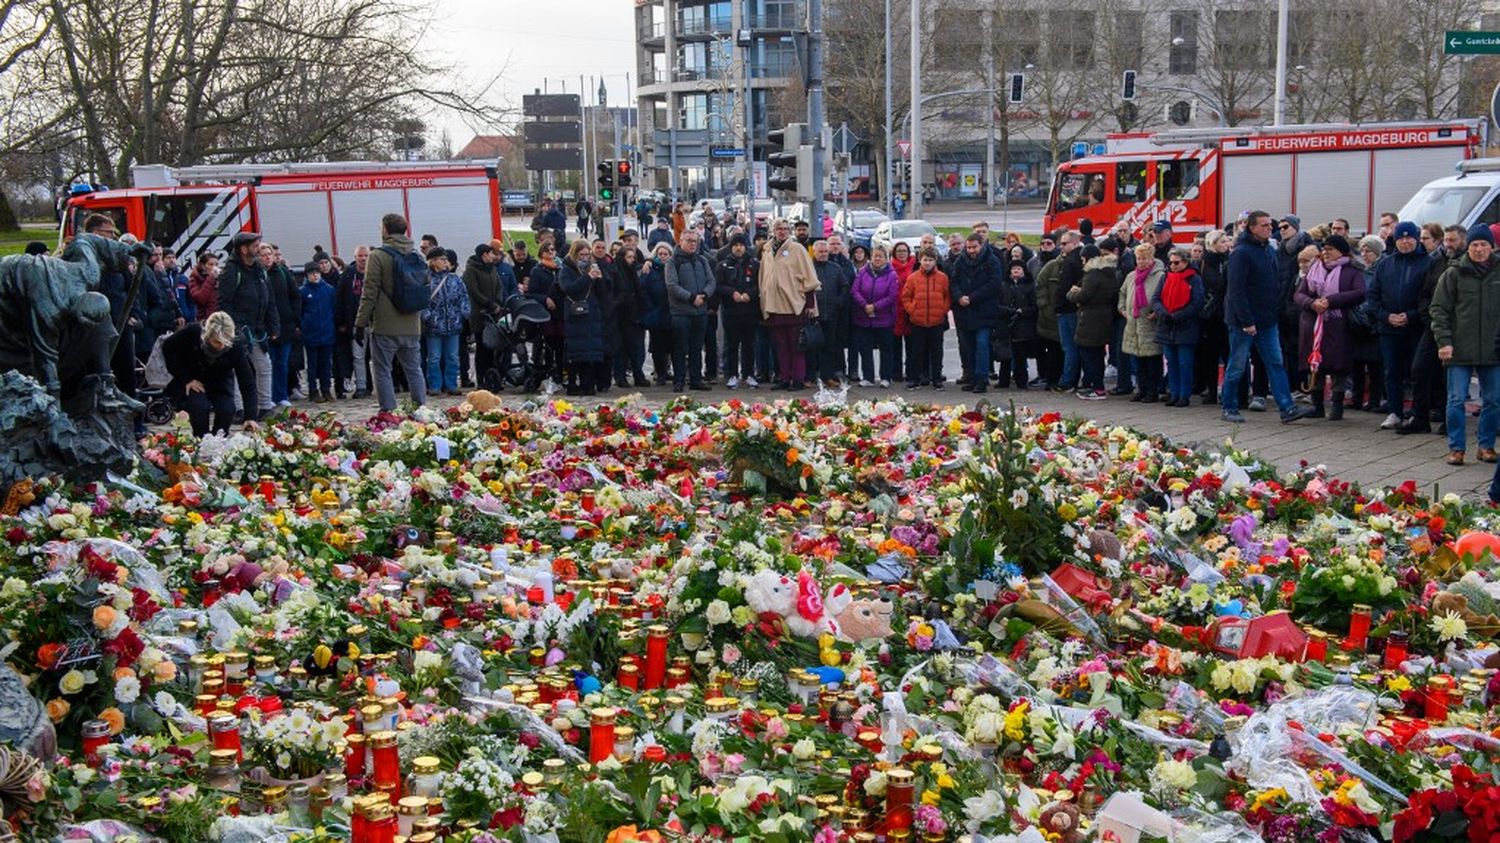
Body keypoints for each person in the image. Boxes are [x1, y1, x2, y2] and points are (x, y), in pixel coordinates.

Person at [1221, 210, 1315, 424]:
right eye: (1264, 225)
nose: (1269, 228)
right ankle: (1229, 406)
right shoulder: (1241, 253)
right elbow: (1236, 290)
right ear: (1251, 227)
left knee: (1276, 362)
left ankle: (1287, 407)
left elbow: (1275, 283)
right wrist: (1246, 321)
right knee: (1237, 365)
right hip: (1244, 321)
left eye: (1269, 225)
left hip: (1267, 319)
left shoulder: (1269, 251)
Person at [1430, 223, 1500, 465]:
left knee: (1493, 399)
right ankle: (1457, 448)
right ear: (1467, 247)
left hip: (1493, 349)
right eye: (1474, 245)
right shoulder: (1454, 273)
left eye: (1484, 245)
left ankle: (1486, 446)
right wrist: (1444, 341)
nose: (1479, 249)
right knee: (1456, 399)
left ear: (1492, 247)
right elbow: (1439, 309)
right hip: (1458, 348)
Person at [355, 213, 427, 412]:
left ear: (386, 230)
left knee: (382, 370)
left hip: (385, 324)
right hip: (412, 323)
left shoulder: (378, 256)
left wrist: (360, 323)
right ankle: (420, 410)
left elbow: (369, 292)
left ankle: (388, 412)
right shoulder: (416, 255)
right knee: (414, 370)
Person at [1399, 224, 1464, 435]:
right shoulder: (1437, 262)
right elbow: (1425, 293)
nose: (1448, 244)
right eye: (1446, 240)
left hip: (1459, 329)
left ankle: (1449, 420)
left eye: (1452, 240)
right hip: (1433, 325)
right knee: (1419, 369)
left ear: (1463, 241)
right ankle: (1420, 418)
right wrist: (1429, 317)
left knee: (1449, 376)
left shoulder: (1467, 264)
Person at [1294, 234, 1366, 420]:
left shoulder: (1352, 271)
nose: (1325, 253)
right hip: (1313, 324)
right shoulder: (1314, 269)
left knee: (1338, 367)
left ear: (1341, 251)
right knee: (1315, 364)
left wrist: (1331, 301)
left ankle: (1336, 406)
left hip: (1338, 324)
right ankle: (1317, 406)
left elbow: (1359, 292)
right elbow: (1299, 294)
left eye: (1330, 249)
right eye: (1324, 249)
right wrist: (1311, 303)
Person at [1366, 222, 1430, 430]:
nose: (1405, 242)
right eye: (1400, 238)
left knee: (1417, 372)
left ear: (1417, 238)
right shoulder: (1386, 264)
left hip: (1415, 328)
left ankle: (1418, 413)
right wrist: (1386, 316)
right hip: (1389, 328)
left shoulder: (1428, 263)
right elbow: (1373, 296)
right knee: (1391, 371)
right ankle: (1394, 411)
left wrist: (1410, 316)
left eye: (1409, 237)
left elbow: (1429, 297)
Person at [217, 231, 279, 421]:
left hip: (258, 327)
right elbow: (224, 302)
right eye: (254, 245)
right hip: (238, 328)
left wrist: (274, 325)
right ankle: (239, 408)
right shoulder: (231, 271)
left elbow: (269, 299)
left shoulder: (259, 270)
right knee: (237, 369)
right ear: (243, 249)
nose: (258, 248)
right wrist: (233, 327)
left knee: (264, 365)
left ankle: (265, 406)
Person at [759, 219, 820, 391]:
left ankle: (798, 379)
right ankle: (784, 377)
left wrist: (809, 304)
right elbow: (764, 276)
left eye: (786, 229)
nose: (782, 232)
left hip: (794, 305)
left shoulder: (797, 249)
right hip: (774, 305)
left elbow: (809, 277)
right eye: (779, 229)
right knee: (781, 346)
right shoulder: (767, 249)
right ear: (773, 230)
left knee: (797, 346)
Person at [163, 311, 244, 436]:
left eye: (225, 342)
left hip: (220, 381)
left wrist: (251, 416)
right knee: (199, 407)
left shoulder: (236, 345)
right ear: (208, 336)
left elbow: (247, 379)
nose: (221, 346)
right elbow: (168, 347)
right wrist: (186, 378)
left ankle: (218, 441)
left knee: (227, 409)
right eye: (217, 341)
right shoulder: (192, 332)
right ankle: (200, 439)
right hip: (195, 378)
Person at [1152, 247, 1206, 407]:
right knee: (1171, 362)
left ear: (1185, 262)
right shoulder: (1165, 277)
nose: (1173, 265)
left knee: (1185, 363)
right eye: (1171, 262)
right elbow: (1156, 299)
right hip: (1167, 325)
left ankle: (1184, 395)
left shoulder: (1194, 279)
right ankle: (1174, 393)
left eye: (1177, 262)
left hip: (1186, 326)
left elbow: (1197, 302)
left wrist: (1177, 315)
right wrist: (1163, 313)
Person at [665, 229, 716, 393]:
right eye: (689, 240)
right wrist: (691, 297)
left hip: (700, 312)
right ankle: (679, 380)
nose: (693, 244)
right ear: (681, 241)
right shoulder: (673, 262)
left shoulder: (702, 260)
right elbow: (672, 286)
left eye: (695, 241)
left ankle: (696, 379)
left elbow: (711, 281)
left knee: (696, 348)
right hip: (681, 313)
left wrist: (705, 294)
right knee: (679, 348)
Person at [950, 233, 1002, 395]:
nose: (971, 250)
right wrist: (959, 297)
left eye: (974, 247)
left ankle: (981, 379)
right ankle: (972, 378)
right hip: (965, 312)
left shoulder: (992, 261)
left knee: (982, 346)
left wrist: (972, 298)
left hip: (984, 311)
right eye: (969, 247)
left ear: (981, 245)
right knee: (968, 348)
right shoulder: (960, 261)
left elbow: (994, 284)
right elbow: (954, 282)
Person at [557, 240, 608, 396]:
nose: (585, 258)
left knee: (591, 352)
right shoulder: (566, 269)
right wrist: (587, 278)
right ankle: (575, 384)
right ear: (574, 254)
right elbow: (568, 289)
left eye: (587, 254)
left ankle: (589, 384)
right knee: (577, 353)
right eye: (582, 255)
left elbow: (602, 292)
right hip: (576, 315)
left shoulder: (593, 267)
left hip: (591, 315)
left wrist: (599, 279)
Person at [1068, 245, 1117, 400]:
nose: (1082, 263)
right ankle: (1097, 386)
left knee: (1089, 354)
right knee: (1097, 353)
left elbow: (1083, 295)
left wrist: (1072, 293)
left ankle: (1097, 388)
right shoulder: (1108, 273)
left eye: (1083, 259)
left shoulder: (1092, 274)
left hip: (1091, 319)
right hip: (1104, 318)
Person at [420, 248, 470, 396]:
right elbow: (421, 301)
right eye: (442, 259)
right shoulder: (426, 279)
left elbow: (463, 296)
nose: (446, 262)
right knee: (434, 357)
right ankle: (434, 385)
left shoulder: (454, 279)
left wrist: (464, 312)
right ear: (433, 261)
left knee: (452, 357)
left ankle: (451, 384)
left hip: (453, 324)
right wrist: (427, 316)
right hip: (434, 326)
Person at [1119, 241, 1165, 403]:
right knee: (1138, 361)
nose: (1141, 262)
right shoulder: (1131, 276)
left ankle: (1153, 391)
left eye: (1145, 258)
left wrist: (1157, 313)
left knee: (1152, 361)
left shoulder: (1160, 276)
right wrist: (1123, 309)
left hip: (1150, 323)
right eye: (1139, 259)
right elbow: (1122, 293)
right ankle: (1142, 389)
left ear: (1152, 258)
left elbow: (1163, 298)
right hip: (1134, 323)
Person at [850, 245, 900, 387]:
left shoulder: (892, 275)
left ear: (886, 258)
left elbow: (892, 296)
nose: (877, 258)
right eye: (875, 256)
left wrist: (875, 307)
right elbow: (855, 291)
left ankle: (886, 377)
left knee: (886, 349)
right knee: (865, 349)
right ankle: (868, 377)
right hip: (863, 318)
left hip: (884, 319)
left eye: (880, 256)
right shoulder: (862, 272)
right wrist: (865, 305)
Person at [715, 234, 759, 389]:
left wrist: (750, 294)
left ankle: (749, 374)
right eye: (735, 245)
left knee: (749, 345)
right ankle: (732, 374)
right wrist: (731, 293)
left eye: (741, 245)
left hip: (750, 311)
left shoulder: (755, 265)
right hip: (731, 311)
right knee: (731, 344)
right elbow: (718, 286)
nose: (739, 248)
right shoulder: (723, 265)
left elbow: (760, 284)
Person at [902, 246, 950, 390]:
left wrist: (943, 310)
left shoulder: (942, 277)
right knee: (917, 352)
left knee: (936, 352)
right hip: (918, 321)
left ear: (935, 261)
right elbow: (905, 296)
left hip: (936, 321)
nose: (927, 263)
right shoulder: (913, 278)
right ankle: (914, 379)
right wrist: (912, 310)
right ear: (920, 260)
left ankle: (936, 379)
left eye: (930, 260)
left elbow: (947, 296)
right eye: (925, 260)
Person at [260, 244, 300, 407]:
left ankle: (281, 395)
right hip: (264, 326)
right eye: (263, 254)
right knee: (267, 363)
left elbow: (295, 296)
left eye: (270, 254)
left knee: (282, 363)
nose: (268, 257)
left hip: (285, 325)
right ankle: (266, 396)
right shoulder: (256, 274)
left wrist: (295, 318)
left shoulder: (283, 273)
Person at [1195, 229, 1231, 405]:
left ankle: (1229, 391)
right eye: (1222, 242)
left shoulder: (1230, 260)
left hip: (1227, 313)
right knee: (1210, 354)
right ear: (1212, 244)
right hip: (1210, 315)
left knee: (1229, 352)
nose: (1226, 245)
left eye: (1226, 241)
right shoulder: (1204, 262)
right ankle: (1211, 389)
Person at [463, 244, 504, 386]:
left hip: (493, 313)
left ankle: (492, 376)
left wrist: (497, 302)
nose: (493, 256)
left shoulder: (492, 268)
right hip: (479, 314)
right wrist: (488, 303)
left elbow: (499, 285)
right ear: (484, 255)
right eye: (490, 254)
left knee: (493, 346)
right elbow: (473, 290)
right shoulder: (471, 270)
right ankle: (481, 378)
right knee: (482, 346)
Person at [812, 240, 850, 387]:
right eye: (820, 252)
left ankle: (827, 376)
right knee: (812, 346)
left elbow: (845, 286)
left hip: (832, 314)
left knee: (829, 346)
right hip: (814, 314)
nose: (823, 254)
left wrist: (839, 301)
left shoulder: (836, 268)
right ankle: (811, 376)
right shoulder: (809, 268)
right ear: (814, 252)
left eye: (825, 252)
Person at [299, 260, 337, 402]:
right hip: (310, 334)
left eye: (317, 273)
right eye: (312, 274)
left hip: (327, 332)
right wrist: (303, 326)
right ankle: (313, 390)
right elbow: (300, 312)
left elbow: (334, 309)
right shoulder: (303, 292)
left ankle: (326, 389)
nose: (315, 276)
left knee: (326, 364)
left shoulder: (329, 290)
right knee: (312, 365)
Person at [335, 246, 369, 399]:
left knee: (379, 357)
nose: (363, 259)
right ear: (355, 257)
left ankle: (378, 385)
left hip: (375, 322)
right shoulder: (348, 275)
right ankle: (361, 385)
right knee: (358, 356)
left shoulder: (375, 272)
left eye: (366, 255)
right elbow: (340, 299)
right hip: (355, 322)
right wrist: (342, 321)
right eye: (360, 256)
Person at [613, 246, 649, 388]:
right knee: (621, 348)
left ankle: (638, 374)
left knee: (636, 348)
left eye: (633, 257)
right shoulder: (616, 271)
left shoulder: (633, 272)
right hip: (621, 315)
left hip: (635, 314)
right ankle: (620, 376)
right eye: (628, 257)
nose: (632, 260)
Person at [998, 261, 1038, 389]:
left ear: (1024, 271)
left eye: (1019, 268)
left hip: (1023, 325)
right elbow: (997, 305)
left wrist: (1023, 311)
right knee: (1005, 356)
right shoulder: (1003, 285)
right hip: (1006, 324)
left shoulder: (1030, 286)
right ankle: (1003, 380)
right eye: (1013, 268)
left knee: (1020, 356)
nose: (1016, 271)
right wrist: (1008, 311)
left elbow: (1034, 306)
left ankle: (1021, 381)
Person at [1053, 231, 1084, 392]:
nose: (1061, 247)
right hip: (1072, 308)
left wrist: (1057, 304)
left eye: (1065, 244)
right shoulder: (1079, 259)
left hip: (1067, 309)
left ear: (1075, 243)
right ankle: (1073, 379)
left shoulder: (1070, 261)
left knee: (1069, 346)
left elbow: (1064, 287)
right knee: (1074, 346)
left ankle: (1067, 381)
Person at [1033, 240, 1066, 389]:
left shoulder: (1073, 265)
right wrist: (1044, 305)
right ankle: (1049, 379)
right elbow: (1040, 284)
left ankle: (1059, 379)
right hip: (1048, 317)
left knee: (1061, 351)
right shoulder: (1051, 266)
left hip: (1064, 314)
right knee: (1049, 350)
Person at [889, 241, 915, 383]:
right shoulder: (889, 267)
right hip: (894, 311)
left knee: (911, 345)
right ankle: (896, 373)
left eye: (904, 250)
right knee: (895, 346)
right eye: (899, 251)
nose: (902, 253)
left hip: (910, 310)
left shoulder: (914, 266)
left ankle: (911, 372)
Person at [188, 252, 220, 320]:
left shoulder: (220, 279)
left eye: (216, 264)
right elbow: (201, 299)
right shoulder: (195, 279)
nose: (215, 267)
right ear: (203, 266)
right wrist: (211, 279)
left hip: (220, 318)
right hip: (205, 319)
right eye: (211, 264)